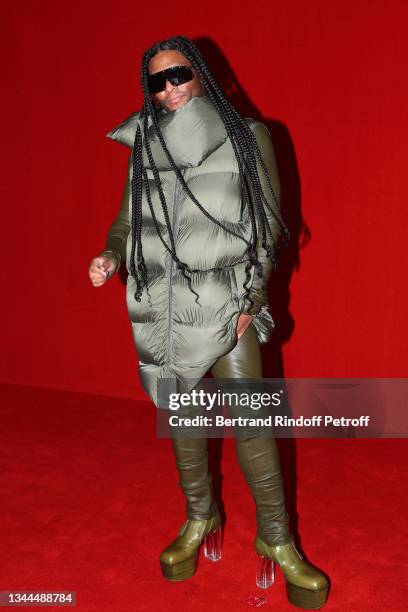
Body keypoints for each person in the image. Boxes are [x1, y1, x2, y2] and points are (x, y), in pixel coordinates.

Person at [88, 35, 330, 608]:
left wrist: (251, 299)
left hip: (228, 303)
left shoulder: (248, 138)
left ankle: (277, 537)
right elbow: (126, 222)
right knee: (183, 416)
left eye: (177, 75)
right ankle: (201, 516)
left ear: (200, 76)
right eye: (156, 81)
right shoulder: (144, 144)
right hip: (167, 309)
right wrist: (110, 253)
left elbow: (269, 226)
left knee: (254, 419)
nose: (168, 89)